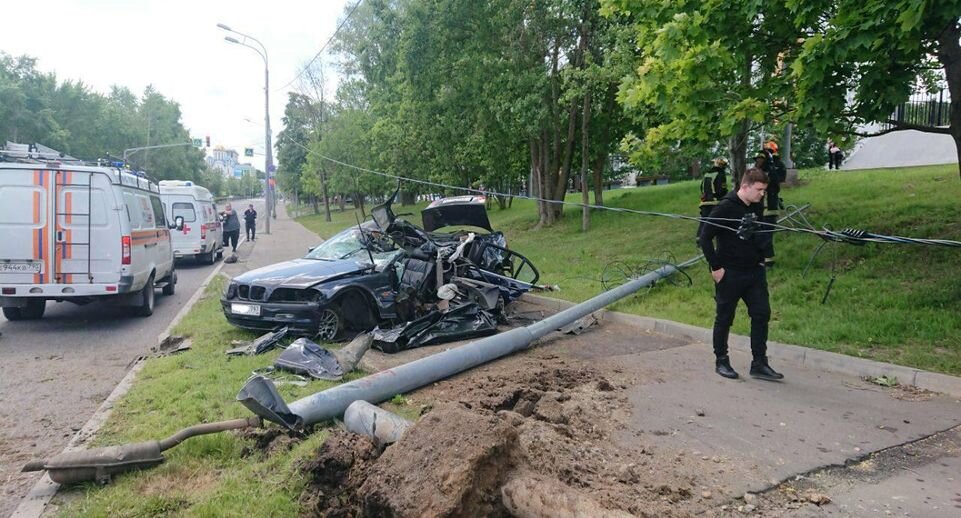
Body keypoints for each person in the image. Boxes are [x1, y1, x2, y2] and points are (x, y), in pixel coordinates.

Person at [699, 167, 784, 381]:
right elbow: (705, 237)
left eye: (764, 190)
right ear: (744, 187)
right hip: (730, 272)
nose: (762, 194)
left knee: (761, 313)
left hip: (754, 272)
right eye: (758, 190)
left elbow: (761, 234)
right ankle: (721, 360)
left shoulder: (756, 206)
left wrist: (762, 256)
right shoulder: (725, 208)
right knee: (725, 317)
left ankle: (759, 363)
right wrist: (715, 267)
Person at [755, 139, 786, 267]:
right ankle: (761, 259)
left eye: (760, 159)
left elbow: (776, 184)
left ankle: (768, 261)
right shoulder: (757, 173)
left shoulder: (772, 171)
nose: (757, 162)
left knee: (765, 235)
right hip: (759, 209)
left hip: (769, 208)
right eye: (757, 160)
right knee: (758, 235)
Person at [697, 157, 729, 245]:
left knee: (704, 221)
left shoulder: (707, 174)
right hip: (715, 202)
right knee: (719, 221)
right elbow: (721, 190)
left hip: (705, 202)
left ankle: (699, 239)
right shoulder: (720, 174)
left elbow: (701, 187)